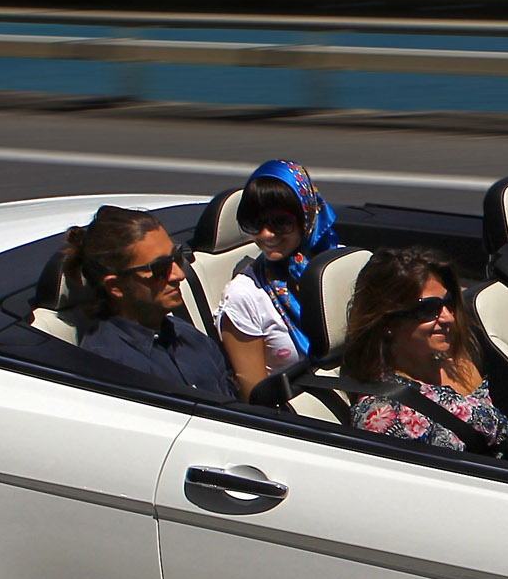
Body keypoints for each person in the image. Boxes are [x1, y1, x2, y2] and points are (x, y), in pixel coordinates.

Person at [344, 247, 508, 456]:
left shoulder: (456, 363)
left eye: (447, 302)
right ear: (387, 322)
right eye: (428, 309)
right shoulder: (382, 414)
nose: (448, 317)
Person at [65, 206, 237, 401]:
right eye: (159, 268)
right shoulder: (109, 368)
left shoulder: (192, 338)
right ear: (116, 286)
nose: (179, 275)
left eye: (177, 257)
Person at [215, 159, 340, 397]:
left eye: (280, 222)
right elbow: (256, 397)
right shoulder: (244, 296)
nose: (265, 234)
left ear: (307, 217)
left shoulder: (334, 267)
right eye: (254, 223)